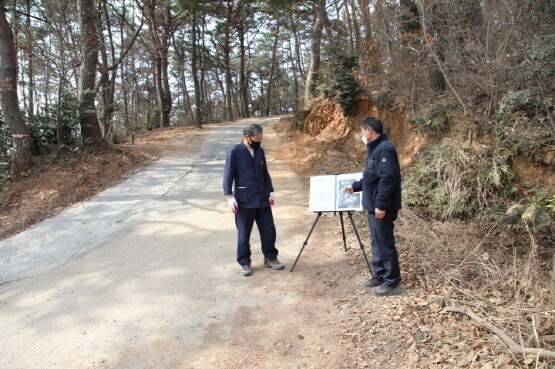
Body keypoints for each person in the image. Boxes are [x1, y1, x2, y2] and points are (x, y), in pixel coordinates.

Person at [344, 117, 402, 296]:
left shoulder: (384, 149)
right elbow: (372, 176)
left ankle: (392, 281)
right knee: (376, 241)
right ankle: (379, 275)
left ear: (368, 130)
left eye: (362, 130)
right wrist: (355, 186)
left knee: (384, 242)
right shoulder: (376, 148)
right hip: (373, 204)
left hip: (381, 206)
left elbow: (388, 179)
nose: (361, 134)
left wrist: (381, 205)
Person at [223, 123, 284, 277]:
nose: (259, 141)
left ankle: (270, 258)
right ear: (247, 137)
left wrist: (270, 190)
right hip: (244, 202)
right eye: (256, 139)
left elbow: (265, 173)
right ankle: (245, 262)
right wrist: (229, 196)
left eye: (261, 138)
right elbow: (228, 176)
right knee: (243, 234)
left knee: (269, 230)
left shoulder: (259, 151)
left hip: (262, 199)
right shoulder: (235, 152)